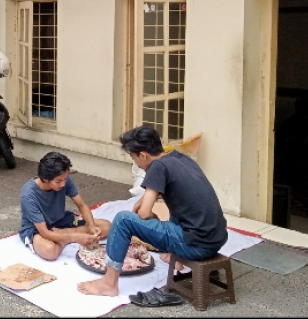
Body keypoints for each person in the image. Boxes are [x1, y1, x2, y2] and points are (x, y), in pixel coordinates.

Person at [77, 126, 228, 297]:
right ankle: (174, 255)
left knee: (123, 219)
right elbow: (180, 194)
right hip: (216, 238)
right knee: (178, 204)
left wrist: (147, 217)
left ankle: (109, 283)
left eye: (134, 158)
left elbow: (143, 213)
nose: (136, 164)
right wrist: (150, 199)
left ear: (143, 155)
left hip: (197, 246)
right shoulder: (181, 159)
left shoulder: (157, 167)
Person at [19, 152, 112, 261]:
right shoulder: (28, 195)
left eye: (65, 179)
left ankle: (61, 235)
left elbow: (82, 205)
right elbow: (44, 232)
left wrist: (91, 226)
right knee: (50, 251)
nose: (63, 184)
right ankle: (65, 238)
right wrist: (75, 237)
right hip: (37, 229)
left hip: (61, 220)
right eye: (58, 181)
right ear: (45, 179)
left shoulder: (63, 178)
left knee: (106, 227)